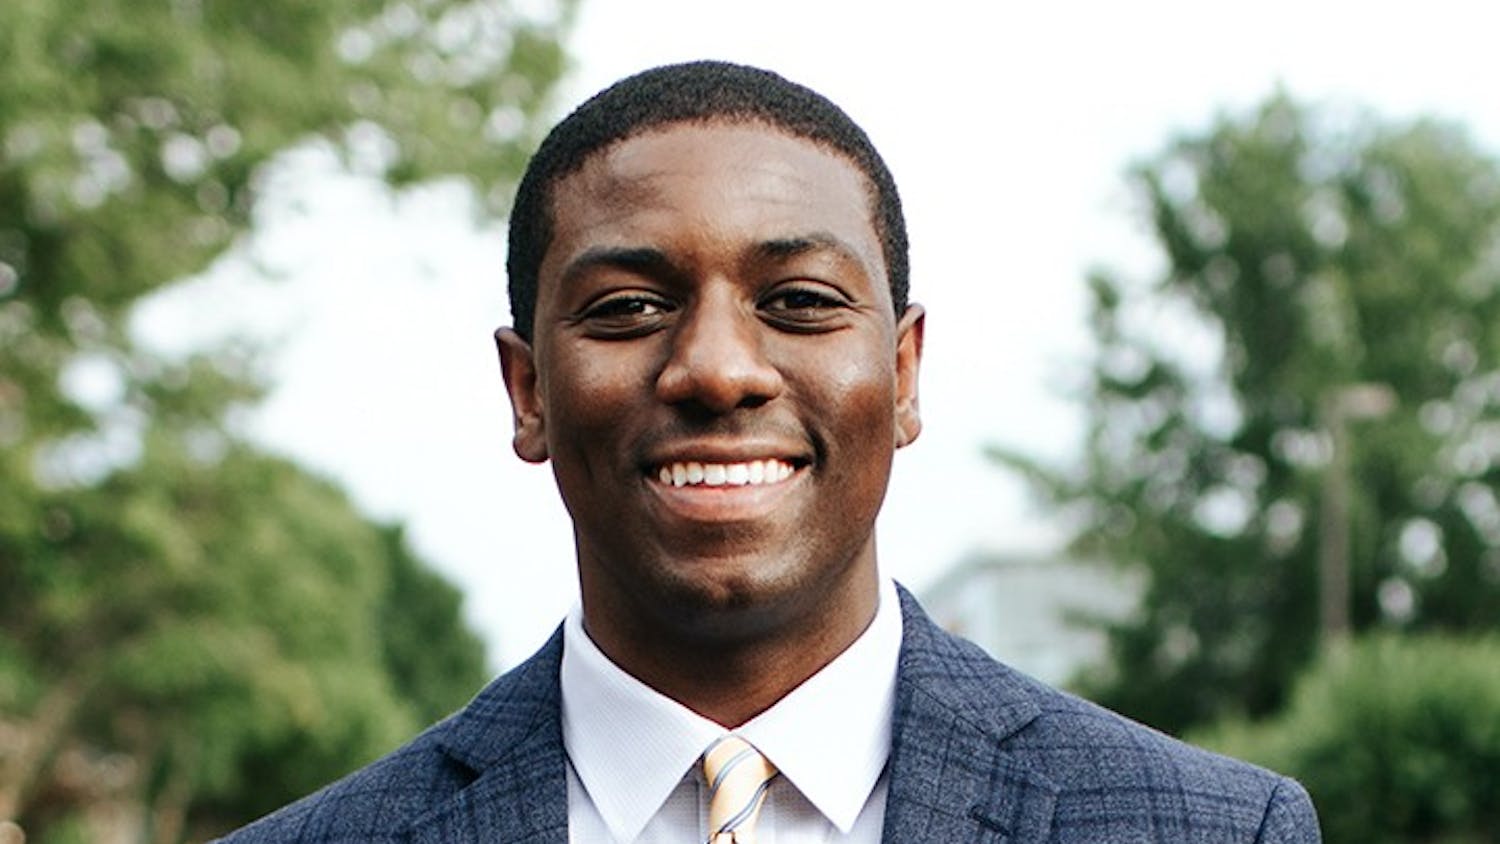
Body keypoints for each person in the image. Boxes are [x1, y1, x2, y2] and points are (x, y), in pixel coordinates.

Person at [220, 60, 1321, 843]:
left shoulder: (1212, 828)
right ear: (527, 391)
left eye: (797, 301)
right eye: (628, 307)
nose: (714, 369)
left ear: (904, 375)